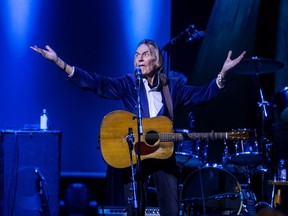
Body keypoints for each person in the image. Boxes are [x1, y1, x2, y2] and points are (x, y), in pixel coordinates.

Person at [30, 39, 246, 216]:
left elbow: (202, 95)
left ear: (157, 59)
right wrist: (60, 63)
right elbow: (97, 83)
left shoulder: (173, 87)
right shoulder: (128, 84)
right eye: (136, 54)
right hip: (134, 156)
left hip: (163, 153)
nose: (139, 57)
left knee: (171, 209)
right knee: (135, 210)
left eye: (145, 53)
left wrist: (222, 74)